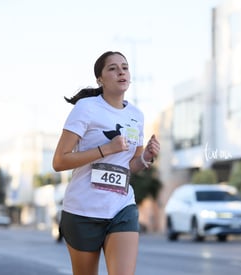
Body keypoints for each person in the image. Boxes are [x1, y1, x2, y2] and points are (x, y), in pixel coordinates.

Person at [52, 50, 160, 275]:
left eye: (125, 67)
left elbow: (128, 168)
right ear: (100, 79)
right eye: (113, 68)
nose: (121, 71)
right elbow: (60, 160)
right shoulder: (87, 108)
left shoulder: (136, 115)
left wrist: (145, 158)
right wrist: (105, 150)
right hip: (83, 210)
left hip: (121, 207)